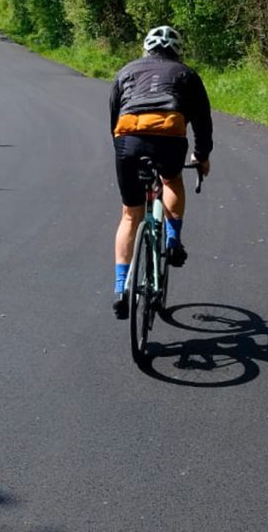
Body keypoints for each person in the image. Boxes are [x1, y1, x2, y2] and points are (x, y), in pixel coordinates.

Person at [109, 25, 213, 319]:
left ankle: (121, 288)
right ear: (177, 51)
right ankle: (173, 239)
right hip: (169, 139)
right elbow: (202, 122)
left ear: (146, 49)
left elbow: (114, 116)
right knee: (171, 179)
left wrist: (122, 153)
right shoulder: (186, 74)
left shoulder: (126, 71)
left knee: (130, 214)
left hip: (128, 141)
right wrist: (201, 156)